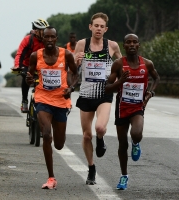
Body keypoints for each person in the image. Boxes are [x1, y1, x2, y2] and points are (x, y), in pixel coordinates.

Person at [25, 26, 79, 189]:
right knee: (47, 135)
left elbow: (76, 74)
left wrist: (71, 88)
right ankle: (51, 178)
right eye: (46, 37)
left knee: (59, 144)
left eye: (52, 37)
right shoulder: (36, 56)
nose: (49, 40)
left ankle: (56, 137)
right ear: (43, 39)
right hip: (42, 98)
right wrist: (29, 80)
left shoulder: (66, 54)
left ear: (56, 39)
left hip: (61, 101)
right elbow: (30, 75)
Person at [105, 33, 160, 190]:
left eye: (134, 42)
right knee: (122, 144)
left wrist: (150, 92)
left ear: (139, 45)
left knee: (136, 134)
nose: (131, 45)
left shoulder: (147, 64)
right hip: (122, 108)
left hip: (137, 107)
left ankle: (136, 143)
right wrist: (121, 81)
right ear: (124, 46)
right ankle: (124, 176)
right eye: (128, 42)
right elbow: (107, 88)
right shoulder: (118, 64)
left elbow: (157, 78)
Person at [73, 12, 122, 185]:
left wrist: (120, 78)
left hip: (104, 93)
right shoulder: (82, 44)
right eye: (96, 26)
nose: (99, 29)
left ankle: (100, 140)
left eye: (102, 26)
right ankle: (91, 167)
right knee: (87, 135)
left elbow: (121, 65)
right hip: (86, 94)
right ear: (90, 27)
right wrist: (75, 59)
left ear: (106, 29)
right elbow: (72, 67)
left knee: (100, 127)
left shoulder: (112, 45)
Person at [12, 18, 49, 113]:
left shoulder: (47, 40)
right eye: (43, 31)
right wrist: (17, 66)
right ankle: (24, 100)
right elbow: (20, 54)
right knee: (26, 78)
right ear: (36, 31)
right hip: (26, 65)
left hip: (41, 66)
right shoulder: (28, 40)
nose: (45, 33)